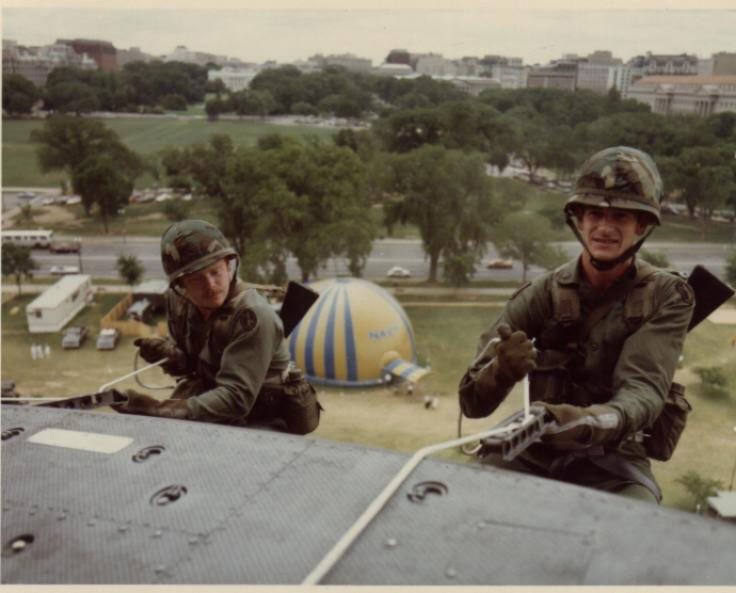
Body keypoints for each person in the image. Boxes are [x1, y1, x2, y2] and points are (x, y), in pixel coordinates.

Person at [459, 146, 695, 503]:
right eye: (594, 214)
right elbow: (472, 404)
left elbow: (643, 392)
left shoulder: (666, 296)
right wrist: (501, 371)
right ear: (579, 219)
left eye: (620, 217)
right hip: (532, 447)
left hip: (612, 460)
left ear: (642, 226)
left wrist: (584, 422)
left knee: (638, 524)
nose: (604, 227)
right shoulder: (543, 293)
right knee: (465, 501)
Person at [115, 219, 321, 435]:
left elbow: (236, 398)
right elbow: (199, 362)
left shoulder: (252, 315)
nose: (211, 286)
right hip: (214, 401)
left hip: (262, 418)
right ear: (181, 286)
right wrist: (172, 355)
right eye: (196, 280)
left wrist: (160, 409)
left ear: (228, 265)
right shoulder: (181, 304)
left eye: (215, 272)